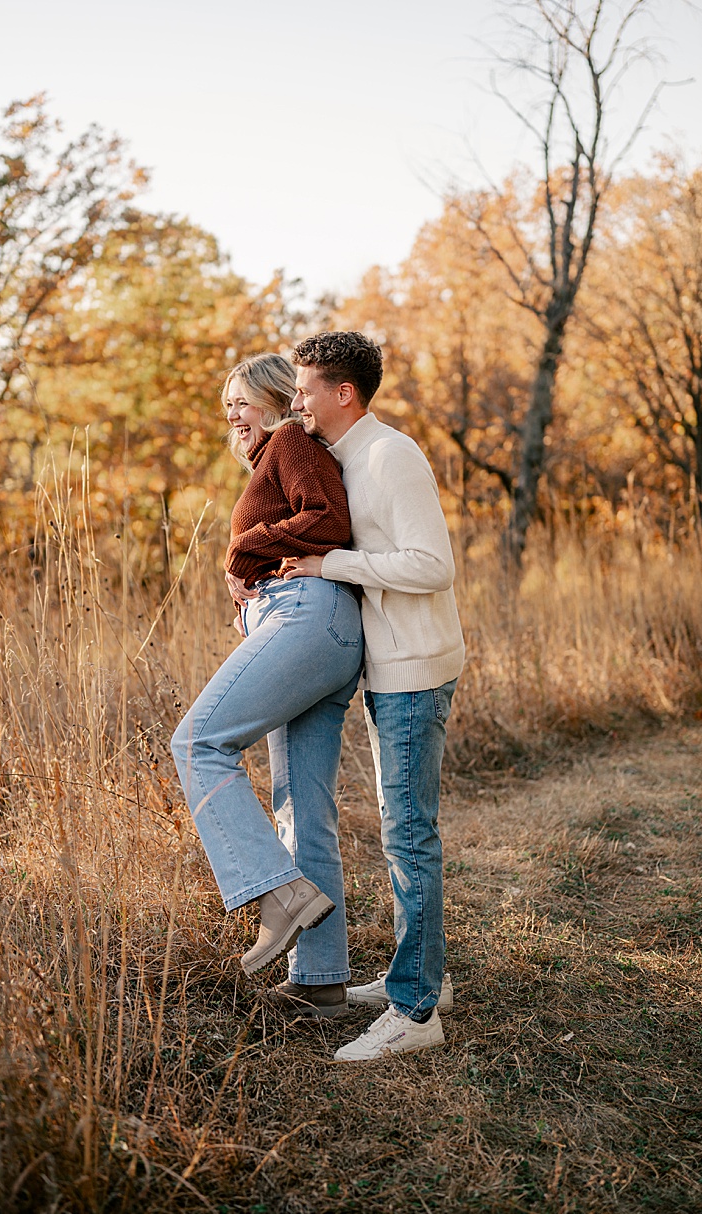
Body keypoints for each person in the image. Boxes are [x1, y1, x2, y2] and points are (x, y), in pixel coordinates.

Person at [282, 330, 465, 1061]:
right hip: (388, 665)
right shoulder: (340, 457)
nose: (297, 401)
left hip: (414, 668)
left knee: (407, 835)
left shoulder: (391, 455)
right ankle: (428, 978)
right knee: (403, 829)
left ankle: (415, 1013)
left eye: (304, 389)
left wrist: (332, 565)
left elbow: (432, 565)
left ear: (342, 392)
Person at [170, 352, 363, 1012]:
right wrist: (249, 578)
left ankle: (275, 892)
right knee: (302, 812)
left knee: (197, 743)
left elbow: (328, 518)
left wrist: (241, 550)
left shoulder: (289, 440)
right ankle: (321, 982)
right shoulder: (275, 457)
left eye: (244, 400)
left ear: (278, 401)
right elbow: (300, 530)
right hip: (317, 632)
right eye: (227, 403)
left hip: (308, 623)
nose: (232, 412)